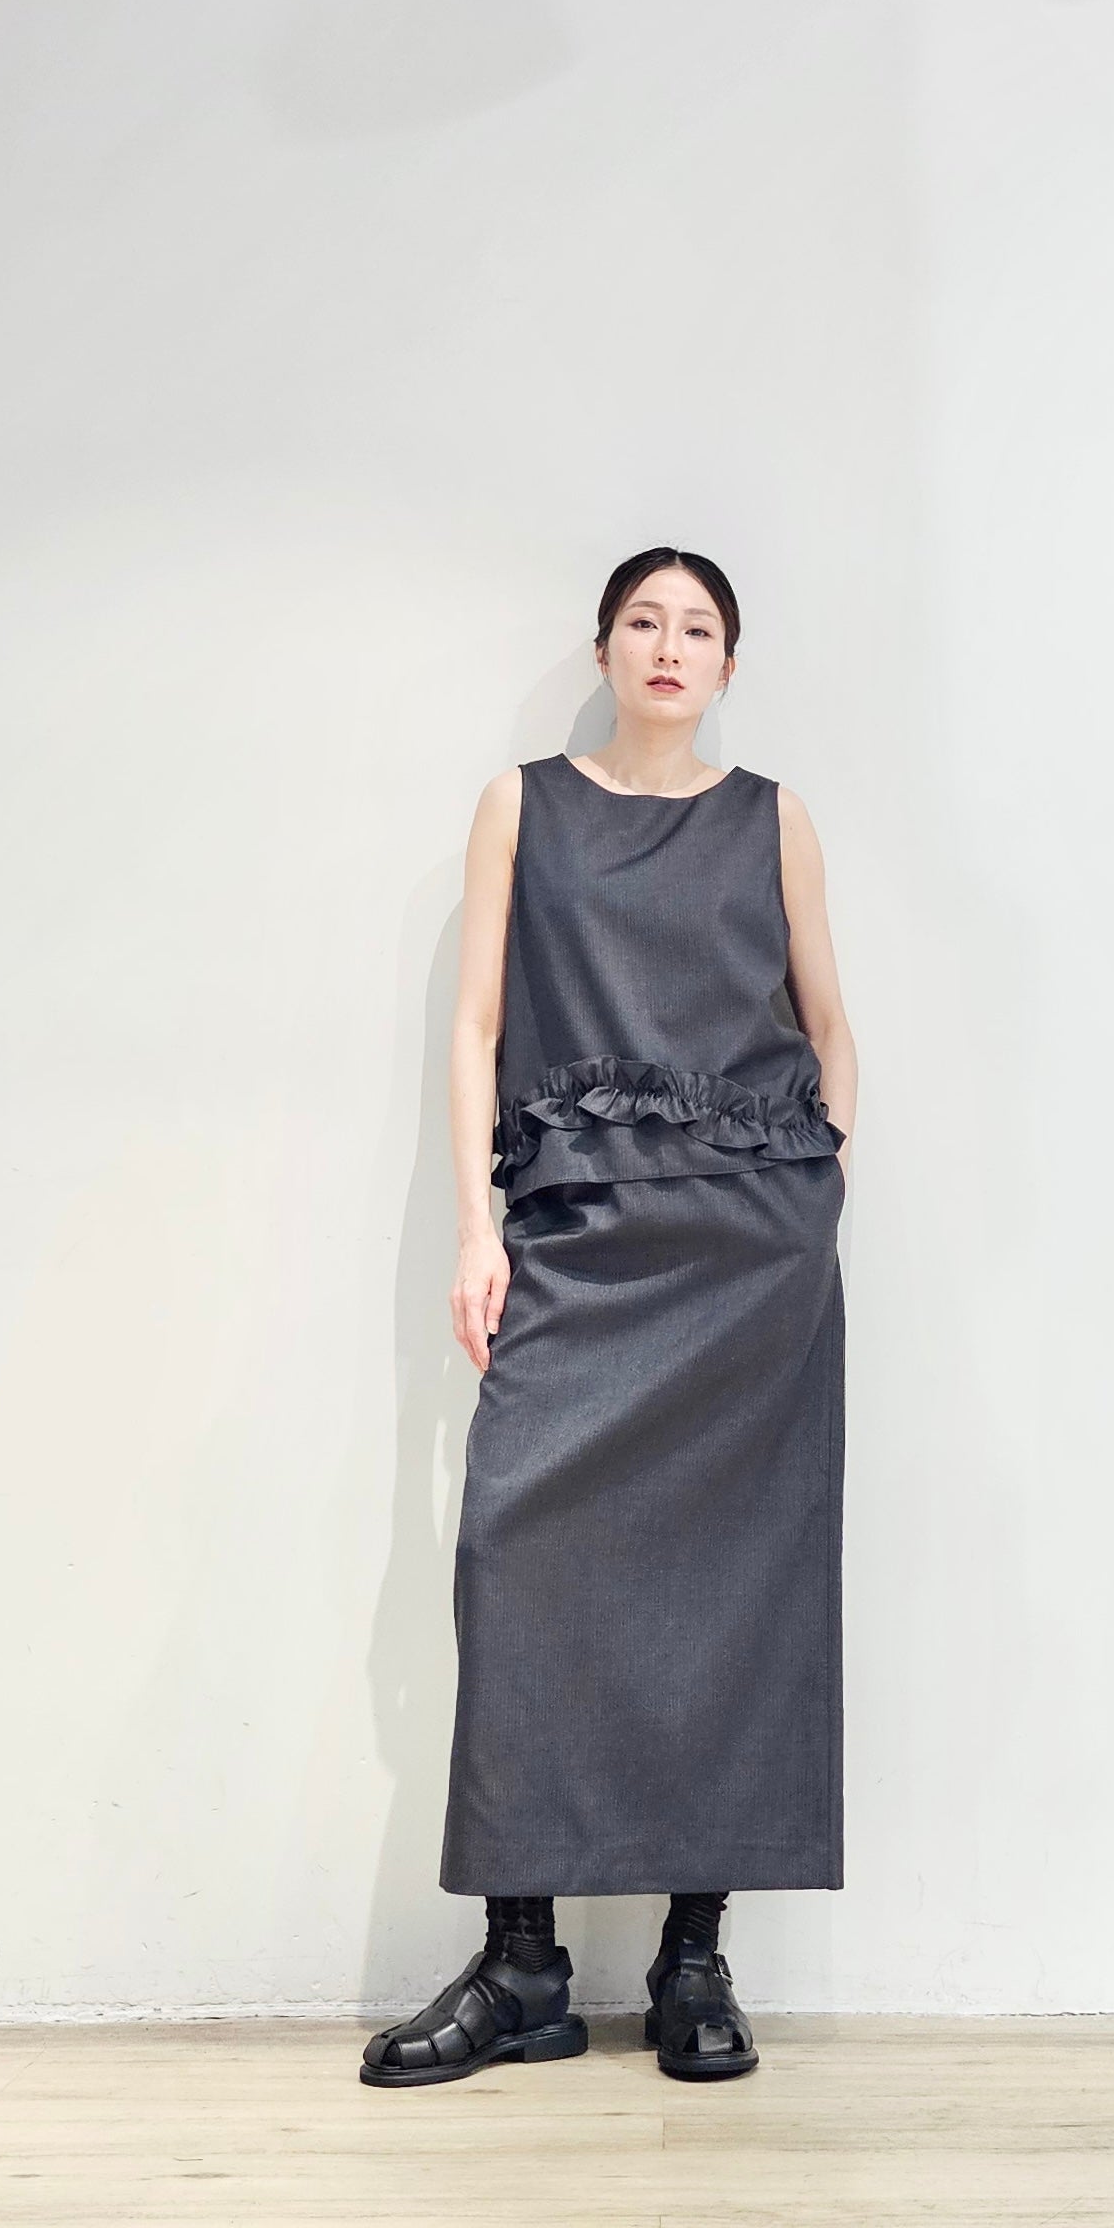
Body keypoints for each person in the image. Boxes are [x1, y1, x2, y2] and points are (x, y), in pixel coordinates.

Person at [360, 546, 857, 2088]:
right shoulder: (523, 804)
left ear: (727, 666)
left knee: (735, 1591)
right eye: (644, 620)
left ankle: (694, 1955)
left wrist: (820, 1189)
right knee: (514, 1557)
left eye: (698, 627)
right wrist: (477, 1227)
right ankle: (523, 1966)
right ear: (603, 648)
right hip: (576, 1239)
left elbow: (831, 1025)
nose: (669, 645)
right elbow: (477, 1025)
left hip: (750, 1262)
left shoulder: (774, 820)